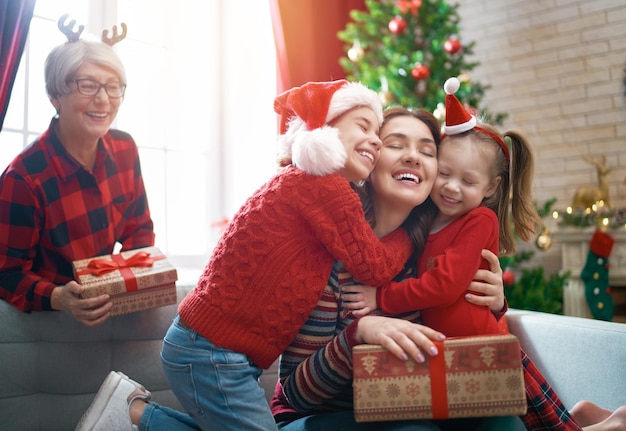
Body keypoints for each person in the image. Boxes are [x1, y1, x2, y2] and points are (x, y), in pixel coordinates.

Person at [76, 80, 443, 431]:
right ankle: (136, 414)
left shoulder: (309, 185)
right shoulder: (326, 188)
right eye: (364, 126)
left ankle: (133, 414)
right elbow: (373, 265)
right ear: (323, 131)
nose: (374, 140)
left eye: (378, 133)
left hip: (217, 350)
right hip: (213, 353)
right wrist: (413, 236)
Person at [272, 107, 626, 431]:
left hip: (409, 402)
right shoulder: (326, 250)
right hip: (318, 417)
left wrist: (494, 300)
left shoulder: (427, 245)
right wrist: (360, 332)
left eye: (427, 151)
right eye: (396, 144)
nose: (413, 155)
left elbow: (449, 302)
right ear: (371, 158)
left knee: (502, 422)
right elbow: (296, 393)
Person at [344, 76, 542, 337]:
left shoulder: (469, 220)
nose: (452, 188)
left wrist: (497, 303)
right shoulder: (421, 217)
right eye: (445, 174)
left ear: (491, 187)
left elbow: (448, 285)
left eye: (426, 152)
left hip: (470, 350)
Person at [0, 17, 154, 327]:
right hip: (50, 323)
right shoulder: (23, 178)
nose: (103, 99)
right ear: (55, 94)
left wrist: (129, 280)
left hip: (110, 312)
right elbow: (6, 273)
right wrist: (58, 297)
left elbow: (139, 233)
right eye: (88, 85)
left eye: (113, 87)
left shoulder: (125, 148)